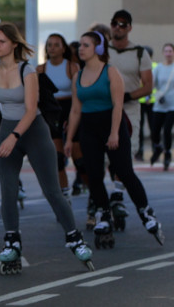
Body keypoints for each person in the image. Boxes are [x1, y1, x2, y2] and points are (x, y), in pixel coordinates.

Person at [0, 23, 93, 274]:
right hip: (7, 129)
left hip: (33, 131)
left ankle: (74, 238)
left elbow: (30, 109)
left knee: (52, 190)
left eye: (1, 41)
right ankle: (12, 241)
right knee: (7, 189)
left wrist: (14, 136)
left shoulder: (27, 71)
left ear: (14, 44)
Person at [64, 31, 164, 248]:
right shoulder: (77, 77)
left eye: (86, 45)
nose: (80, 48)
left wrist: (114, 133)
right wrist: (69, 139)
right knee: (94, 175)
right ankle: (104, 214)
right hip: (88, 129)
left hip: (112, 125)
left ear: (98, 49)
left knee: (125, 172)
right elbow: (75, 111)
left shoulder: (110, 72)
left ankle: (145, 211)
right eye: (80, 45)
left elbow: (118, 105)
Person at [107, 10, 153, 220]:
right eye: (115, 23)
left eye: (123, 24)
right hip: (105, 109)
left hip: (129, 110)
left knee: (125, 154)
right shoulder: (102, 51)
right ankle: (111, 193)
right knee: (106, 155)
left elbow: (148, 86)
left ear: (130, 28)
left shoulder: (140, 53)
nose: (118, 27)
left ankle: (117, 194)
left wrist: (127, 96)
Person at [36, 34, 81, 201]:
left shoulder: (72, 67)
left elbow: (78, 97)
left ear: (64, 48)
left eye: (56, 45)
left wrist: (72, 118)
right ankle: (64, 195)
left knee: (80, 160)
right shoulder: (40, 69)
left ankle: (95, 199)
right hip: (51, 112)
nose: (52, 48)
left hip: (71, 110)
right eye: (49, 45)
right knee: (58, 159)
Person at [149, 43, 174, 171]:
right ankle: (158, 147)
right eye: (166, 51)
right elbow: (152, 85)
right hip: (160, 104)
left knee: (167, 130)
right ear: (163, 53)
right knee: (154, 131)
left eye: (171, 51)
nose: (168, 53)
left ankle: (168, 153)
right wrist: (150, 96)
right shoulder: (158, 68)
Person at [136, 46, 157, 161]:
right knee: (139, 128)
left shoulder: (155, 67)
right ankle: (139, 151)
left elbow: (153, 84)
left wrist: (149, 96)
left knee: (153, 127)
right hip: (140, 101)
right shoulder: (138, 67)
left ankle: (155, 150)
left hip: (152, 102)